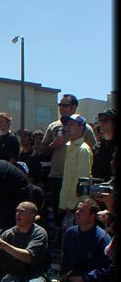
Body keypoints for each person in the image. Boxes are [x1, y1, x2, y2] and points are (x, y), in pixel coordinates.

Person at [38, 94, 96, 225]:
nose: (67, 127)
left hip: (75, 194)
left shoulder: (83, 147)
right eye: (60, 105)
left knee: (76, 223)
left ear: (74, 107)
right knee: (60, 220)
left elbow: (81, 178)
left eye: (65, 105)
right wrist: (54, 144)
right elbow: (42, 151)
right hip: (57, 178)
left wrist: (71, 204)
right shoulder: (54, 127)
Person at [58, 114, 94, 224]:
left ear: (81, 127)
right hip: (66, 205)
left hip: (76, 206)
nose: (67, 127)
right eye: (66, 124)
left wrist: (70, 204)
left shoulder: (83, 150)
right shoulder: (70, 147)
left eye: (71, 124)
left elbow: (81, 181)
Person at [92, 108, 117, 181]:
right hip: (97, 189)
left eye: (105, 120)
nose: (102, 122)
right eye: (100, 120)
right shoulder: (97, 147)